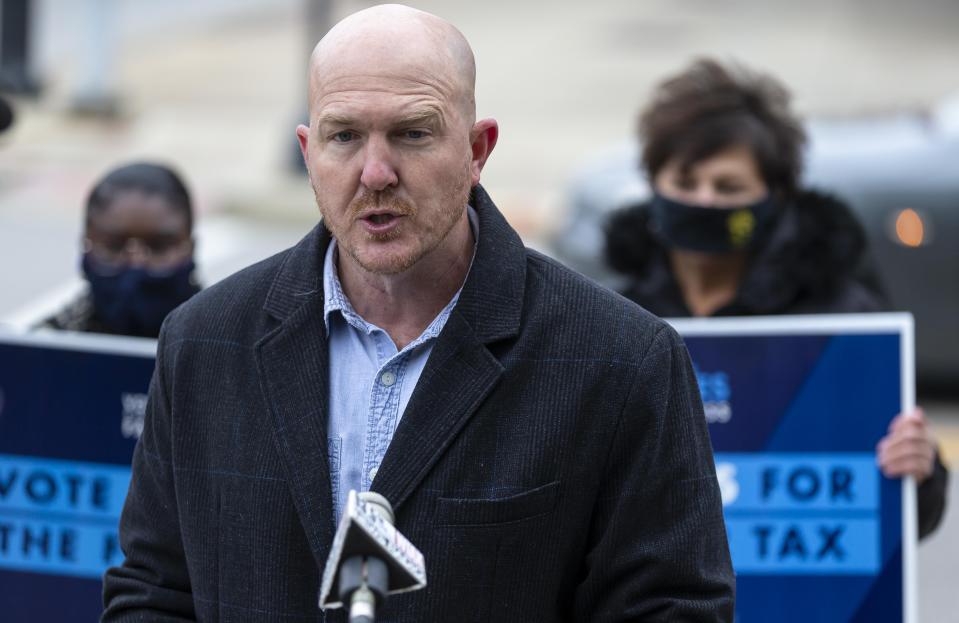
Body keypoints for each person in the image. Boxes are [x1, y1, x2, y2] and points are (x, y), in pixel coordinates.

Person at [102, 5, 734, 621]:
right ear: (307, 153)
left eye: (412, 133)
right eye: (344, 136)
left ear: (478, 149)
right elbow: (153, 592)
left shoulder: (620, 361)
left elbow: (670, 606)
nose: (376, 173)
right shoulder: (204, 341)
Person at [604, 58, 948, 539]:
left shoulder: (843, 322)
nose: (704, 202)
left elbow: (902, 521)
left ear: (775, 198)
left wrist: (921, 472)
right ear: (653, 186)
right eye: (685, 183)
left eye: (728, 187)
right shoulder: (613, 323)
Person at [39, 162, 200, 338]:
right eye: (114, 246)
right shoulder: (44, 346)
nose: (136, 263)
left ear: (190, 248)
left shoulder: (223, 348)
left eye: (158, 247)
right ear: (86, 245)